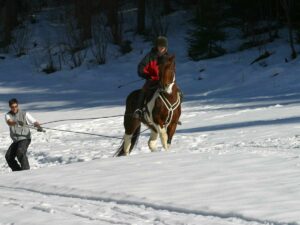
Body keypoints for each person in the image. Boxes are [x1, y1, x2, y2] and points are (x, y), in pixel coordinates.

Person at [134, 36, 169, 119]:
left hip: (164, 81)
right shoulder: (150, 56)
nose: (162, 49)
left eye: (163, 47)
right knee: (144, 90)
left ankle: (173, 114)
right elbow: (141, 67)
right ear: (157, 46)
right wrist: (147, 75)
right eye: (160, 47)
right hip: (152, 80)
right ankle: (139, 110)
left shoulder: (167, 57)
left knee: (178, 93)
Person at [5, 98, 43, 171]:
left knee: (20, 152)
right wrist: (16, 122)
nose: (14, 108)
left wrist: (38, 126)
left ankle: (26, 171)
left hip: (25, 138)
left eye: (16, 106)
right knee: (8, 156)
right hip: (16, 140)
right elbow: (9, 122)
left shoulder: (25, 114)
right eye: (12, 107)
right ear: (10, 107)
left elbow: (34, 122)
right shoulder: (8, 115)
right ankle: (18, 172)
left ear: (18, 105)